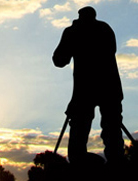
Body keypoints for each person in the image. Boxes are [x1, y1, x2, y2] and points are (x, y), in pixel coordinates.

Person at [52, 6, 125, 164]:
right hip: (109, 88)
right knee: (111, 130)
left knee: (81, 130)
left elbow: (59, 60)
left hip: (85, 91)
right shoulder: (105, 28)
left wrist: (72, 35)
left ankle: (81, 166)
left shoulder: (74, 31)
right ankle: (116, 164)